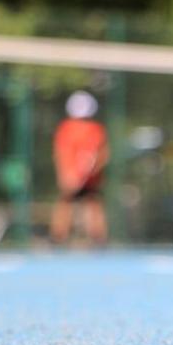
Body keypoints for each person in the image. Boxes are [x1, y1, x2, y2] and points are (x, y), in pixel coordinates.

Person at [51, 91, 109, 245]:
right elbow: (103, 154)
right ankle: (62, 237)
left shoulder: (67, 128)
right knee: (87, 202)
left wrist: (66, 174)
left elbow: (60, 153)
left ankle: (60, 238)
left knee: (82, 202)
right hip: (80, 177)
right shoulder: (94, 129)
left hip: (79, 176)